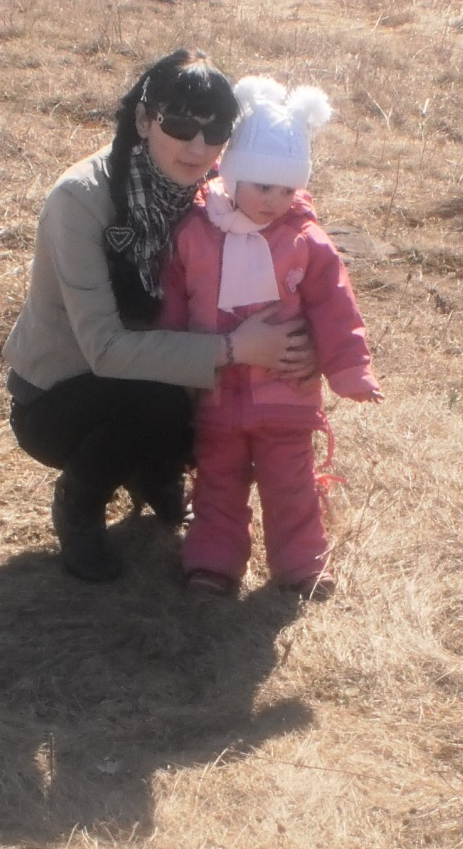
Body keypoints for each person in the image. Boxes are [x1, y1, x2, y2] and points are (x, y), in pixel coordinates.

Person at [3, 49, 314, 582]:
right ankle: (79, 503)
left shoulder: (223, 191)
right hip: (62, 397)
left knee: (227, 404)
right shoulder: (81, 199)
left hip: (162, 371)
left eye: (215, 130)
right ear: (145, 120)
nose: (198, 146)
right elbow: (104, 348)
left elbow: (292, 257)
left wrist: (299, 344)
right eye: (180, 125)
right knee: (161, 398)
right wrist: (236, 348)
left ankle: (155, 472)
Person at [160, 77, 380, 598]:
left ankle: (302, 564)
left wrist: (349, 368)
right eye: (263, 186)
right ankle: (213, 560)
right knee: (217, 481)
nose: (275, 200)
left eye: (287, 189)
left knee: (291, 484)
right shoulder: (195, 233)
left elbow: (334, 306)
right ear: (233, 175)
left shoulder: (306, 241)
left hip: (285, 395)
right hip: (216, 395)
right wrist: (171, 360)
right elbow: (173, 300)